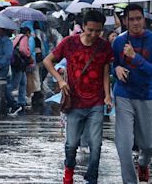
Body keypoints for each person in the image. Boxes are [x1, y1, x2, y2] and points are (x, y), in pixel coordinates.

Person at [43, 10, 113, 184]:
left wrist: (107, 97)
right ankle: (69, 172)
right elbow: (47, 61)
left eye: (98, 31)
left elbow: (105, 73)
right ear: (83, 27)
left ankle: (92, 178)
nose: (94, 34)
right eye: (90, 30)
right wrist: (60, 80)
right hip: (74, 102)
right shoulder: (69, 43)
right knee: (72, 144)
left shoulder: (104, 46)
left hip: (96, 102)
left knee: (96, 145)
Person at [112, 4, 152, 183]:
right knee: (124, 145)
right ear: (125, 21)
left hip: (146, 96)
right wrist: (117, 68)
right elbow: (113, 64)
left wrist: (136, 57)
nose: (135, 23)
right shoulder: (119, 41)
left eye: (138, 18)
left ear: (144, 19)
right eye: (131, 19)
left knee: (149, 146)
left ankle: (143, 163)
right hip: (123, 93)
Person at [11, 25, 34, 110]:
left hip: (17, 62)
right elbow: (22, 50)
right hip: (20, 63)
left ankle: (22, 101)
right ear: (28, 32)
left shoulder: (17, 37)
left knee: (23, 82)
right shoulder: (24, 37)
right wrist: (29, 55)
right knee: (15, 83)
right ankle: (6, 96)